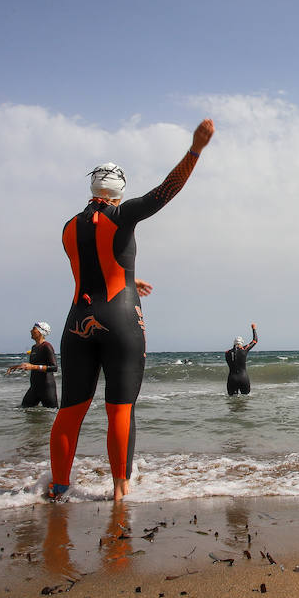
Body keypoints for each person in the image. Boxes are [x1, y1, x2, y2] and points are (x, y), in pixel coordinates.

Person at [48, 118, 214, 503]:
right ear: (120, 193)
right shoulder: (121, 215)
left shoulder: (68, 227)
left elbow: (92, 269)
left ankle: (58, 488)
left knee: (70, 410)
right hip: (121, 321)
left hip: (77, 322)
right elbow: (164, 192)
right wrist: (195, 150)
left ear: (93, 189)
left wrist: (129, 279)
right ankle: (121, 489)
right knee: (120, 409)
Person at [9, 322, 59, 408]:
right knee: (23, 410)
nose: (31, 331)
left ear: (40, 332)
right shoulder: (34, 347)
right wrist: (18, 366)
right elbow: (32, 365)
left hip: (46, 388)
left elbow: (54, 367)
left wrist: (33, 367)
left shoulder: (47, 346)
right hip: (34, 387)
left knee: (52, 413)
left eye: (33, 329)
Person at [225, 323, 259, 395]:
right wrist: (253, 329)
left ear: (234, 343)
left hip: (232, 379)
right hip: (243, 378)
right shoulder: (244, 349)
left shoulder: (227, 353)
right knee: (245, 399)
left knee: (232, 401)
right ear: (242, 343)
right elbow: (255, 340)